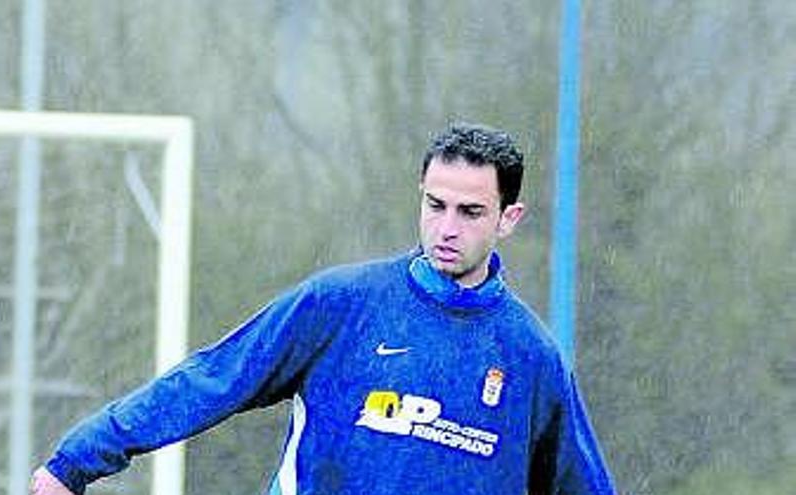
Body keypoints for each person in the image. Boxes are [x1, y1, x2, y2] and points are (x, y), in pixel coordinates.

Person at [31, 123, 616, 495]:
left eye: (469, 212)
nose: (446, 228)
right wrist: (78, 458)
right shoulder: (342, 306)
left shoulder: (530, 357)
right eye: (435, 205)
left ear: (508, 219)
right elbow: (212, 379)